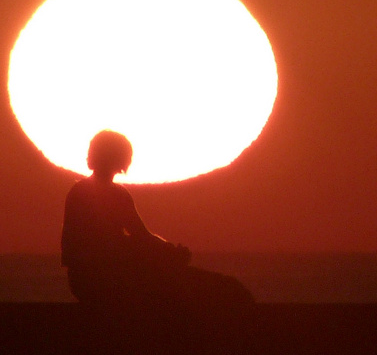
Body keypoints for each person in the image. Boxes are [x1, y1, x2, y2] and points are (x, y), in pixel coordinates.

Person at [61, 130, 253, 309]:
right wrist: (170, 253)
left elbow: (137, 238)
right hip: (107, 279)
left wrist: (166, 252)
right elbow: (140, 236)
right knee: (207, 288)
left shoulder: (80, 192)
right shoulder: (110, 194)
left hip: (83, 281)